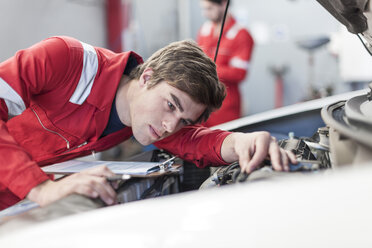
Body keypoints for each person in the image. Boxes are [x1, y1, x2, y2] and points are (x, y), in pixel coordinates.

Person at [0, 36, 296, 210]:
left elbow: (193, 140)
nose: (169, 125)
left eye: (183, 119)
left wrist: (240, 142)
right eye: (170, 105)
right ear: (146, 77)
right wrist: (40, 188)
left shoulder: (144, 114)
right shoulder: (65, 59)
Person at [197, 0, 254, 127]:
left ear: (223, 4)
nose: (205, 13)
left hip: (226, 108)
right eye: (203, 9)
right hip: (202, 104)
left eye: (209, 8)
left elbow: (239, 73)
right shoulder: (205, 30)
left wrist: (205, 69)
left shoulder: (241, 34)